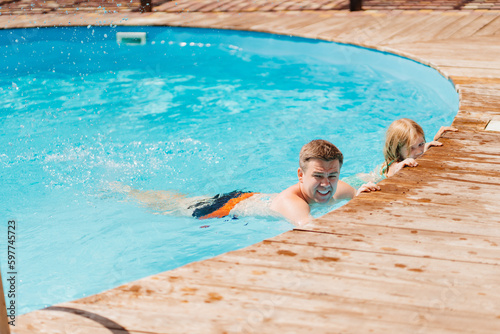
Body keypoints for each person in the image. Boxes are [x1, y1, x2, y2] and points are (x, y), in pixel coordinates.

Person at [112, 139, 379, 226]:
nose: (326, 184)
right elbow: (310, 228)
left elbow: (364, 181)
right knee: (169, 205)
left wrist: (364, 191)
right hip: (222, 209)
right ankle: (123, 191)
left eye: (332, 176)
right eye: (317, 176)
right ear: (300, 175)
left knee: (175, 198)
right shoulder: (293, 204)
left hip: (249, 196)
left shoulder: (336, 189)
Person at [381, 118, 457, 177]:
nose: (419, 151)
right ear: (397, 151)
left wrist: (438, 140)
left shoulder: (416, 152)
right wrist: (399, 166)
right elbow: (393, 170)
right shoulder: (393, 166)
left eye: (421, 144)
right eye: (411, 148)